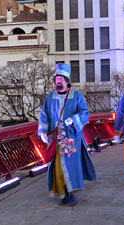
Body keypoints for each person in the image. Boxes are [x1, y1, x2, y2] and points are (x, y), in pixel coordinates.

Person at [38, 63, 96, 206]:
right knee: (58, 166)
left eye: (61, 79)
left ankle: (71, 193)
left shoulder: (76, 96)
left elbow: (84, 113)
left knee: (71, 165)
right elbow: (44, 115)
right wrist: (43, 131)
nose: (58, 81)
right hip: (56, 139)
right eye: (56, 79)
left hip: (72, 138)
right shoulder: (50, 98)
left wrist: (74, 120)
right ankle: (63, 193)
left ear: (67, 80)